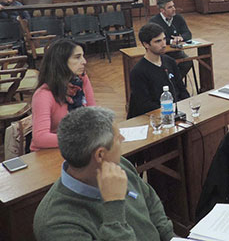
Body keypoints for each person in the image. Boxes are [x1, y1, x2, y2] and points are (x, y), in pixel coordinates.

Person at [33, 107, 174, 241]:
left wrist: (169, 236)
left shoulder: (119, 165)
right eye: (117, 138)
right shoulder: (55, 223)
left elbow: (149, 198)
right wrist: (114, 206)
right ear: (100, 155)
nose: (123, 138)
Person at [31, 39, 96, 151]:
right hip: (49, 152)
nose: (84, 61)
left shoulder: (81, 80)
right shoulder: (43, 95)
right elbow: (40, 138)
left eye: (83, 56)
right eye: (77, 57)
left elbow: (93, 113)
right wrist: (81, 139)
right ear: (61, 62)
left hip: (77, 148)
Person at [128, 23, 189, 119]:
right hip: (154, 117)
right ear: (146, 44)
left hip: (176, 112)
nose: (164, 44)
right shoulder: (138, 72)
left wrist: (185, 105)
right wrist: (168, 111)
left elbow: (182, 89)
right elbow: (144, 105)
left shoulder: (170, 62)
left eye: (164, 39)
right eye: (158, 41)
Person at [149, 0, 193, 77]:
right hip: (161, 52)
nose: (174, 9)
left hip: (176, 51)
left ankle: (176, 82)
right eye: (170, 7)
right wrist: (171, 41)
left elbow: (188, 33)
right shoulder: (154, 21)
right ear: (162, 10)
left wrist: (181, 38)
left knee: (187, 62)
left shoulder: (178, 18)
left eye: (173, 6)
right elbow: (155, 39)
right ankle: (170, 82)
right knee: (168, 65)